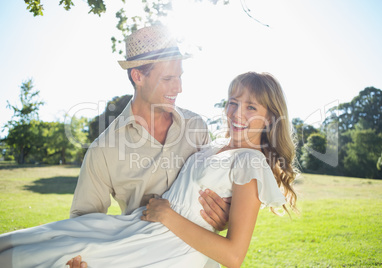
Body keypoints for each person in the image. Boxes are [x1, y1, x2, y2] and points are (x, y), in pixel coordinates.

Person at [0, 71, 298, 268]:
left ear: (271, 118)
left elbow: (234, 256)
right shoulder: (212, 143)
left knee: (66, 254)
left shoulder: (251, 162)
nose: (237, 113)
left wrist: (167, 215)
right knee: (59, 237)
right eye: (233, 103)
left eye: (251, 108)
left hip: (166, 248)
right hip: (139, 225)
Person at [67, 25, 230, 267]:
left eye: (180, 76)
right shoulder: (104, 149)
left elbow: (213, 194)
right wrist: (79, 257)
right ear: (138, 76)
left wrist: (222, 216)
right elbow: (84, 222)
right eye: (168, 79)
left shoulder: (196, 127)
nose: (179, 87)